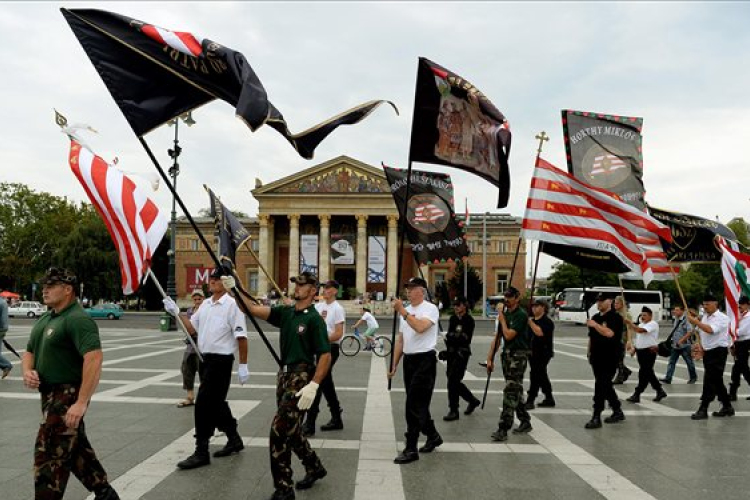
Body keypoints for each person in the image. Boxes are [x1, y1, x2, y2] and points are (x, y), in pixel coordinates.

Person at [227, 271, 331, 500]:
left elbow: (325, 355)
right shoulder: (287, 313)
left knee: (278, 432)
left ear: (313, 290)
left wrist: (313, 385)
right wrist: (234, 288)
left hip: (301, 377)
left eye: (302, 285)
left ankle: (284, 488)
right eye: (296, 283)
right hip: (283, 377)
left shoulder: (314, 319)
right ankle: (314, 466)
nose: (297, 287)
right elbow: (252, 309)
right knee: (292, 431)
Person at [22, 267, 120, 500]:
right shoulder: (47, 317)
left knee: (48, 455)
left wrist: (81, 402)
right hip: (49, 395)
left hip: (66, 395)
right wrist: (28, 371)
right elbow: (29, 351)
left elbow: (94, 358)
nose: (44, 290)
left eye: (50, 286)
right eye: (44, 285)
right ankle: (105, 494)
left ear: (67, 290)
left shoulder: (78, 319)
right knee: (75, 449)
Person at [162, 267, 249, 470]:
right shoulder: (206, 305)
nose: (212, 281)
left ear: (226, 282)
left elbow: (242, 337)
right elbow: (191, 328)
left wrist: (243, 365)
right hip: (206, 360)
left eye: (217, 278)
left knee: (203, 405)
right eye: (211, 277)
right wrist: (176, 311)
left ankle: (201, 451)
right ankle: (234, 439)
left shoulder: (232, 306)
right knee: (217, 404)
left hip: (221, 361)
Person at [389, 277, 443, 464]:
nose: (408, 292)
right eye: (407, 288)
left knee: (412, 405)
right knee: (418, 404)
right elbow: (401, 340)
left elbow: (420, 328)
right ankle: (433, 435)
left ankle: (411, 448)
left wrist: (402, 312)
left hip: (425, 360)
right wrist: (394, 364)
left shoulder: (430, 309)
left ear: (422, 290)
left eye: (412, 288)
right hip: (409, 361)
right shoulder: (408, 311)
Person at [487, 286, 532, 442]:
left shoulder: (521, 315)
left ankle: (503, 427)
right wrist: (490, 359)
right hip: (507, 355)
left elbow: (509, 335)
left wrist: (501, 317)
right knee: (515, 387)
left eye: (510, 296)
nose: (506, 299)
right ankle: (525, 420)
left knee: (510, 390)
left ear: (517, 298)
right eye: (505, 296)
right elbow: (498, 338)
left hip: (519, 356)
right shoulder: (505, 315)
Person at [302, 280, 345, 436]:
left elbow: (339, 333)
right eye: (324, 288)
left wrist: (322, 341)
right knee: (326, 383)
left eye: (328, 288)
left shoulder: (338, 309)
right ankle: (336, 417)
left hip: (329, 349)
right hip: (317, 349)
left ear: (334, 291)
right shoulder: (318, 306)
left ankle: (310, 422)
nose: (325, 290)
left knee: (317, 381)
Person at [687, 294, 734, 419]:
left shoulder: (722, 318)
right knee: (717, 381)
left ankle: (703, 408)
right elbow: (700, 332)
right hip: (708, 351)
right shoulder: (705, 317)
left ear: (715, 304)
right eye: (704, 304)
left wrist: (696, 321)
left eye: (708, 304)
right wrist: (700, 346)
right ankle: (727, 406)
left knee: (709, 380)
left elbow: (710, 330)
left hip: (718, 352)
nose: (705, 306)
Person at [584, 294, 625, 429]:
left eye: (602, 301)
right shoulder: (595, 317)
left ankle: (596, 415)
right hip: (596, 356)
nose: (599, 303)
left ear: (610, 301)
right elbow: (591, 337)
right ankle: (617, 410)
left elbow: (609, 333)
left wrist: (595, 325)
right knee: (605, 384)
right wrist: (589, 351)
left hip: (610, 357)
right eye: (597, 301)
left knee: (600, 384)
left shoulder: (616, 318)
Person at [441, 297, 480, 421]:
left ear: (464, 306)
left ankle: (454, 410)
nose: (455, 307)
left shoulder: (469, 320)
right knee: (454, 381)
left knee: (452, 382)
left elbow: (465, 339)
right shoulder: (453, 318)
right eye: (454, 305)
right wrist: (452, 339)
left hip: (462, 354)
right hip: (452, 353)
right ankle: (472, 400)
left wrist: (454, 336)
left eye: (458, 305)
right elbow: (449, 335)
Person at [625, 307, 667, 403]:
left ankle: (637, 394)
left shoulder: (653, 324)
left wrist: (630, 323)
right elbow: (640, 339)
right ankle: (660, 391)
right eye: (641, 315)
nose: (642, 317)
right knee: (648, 373)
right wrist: (634, 349)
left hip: (649, 352)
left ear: (650, 316)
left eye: (645, 315)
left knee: (643, 373)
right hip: (641, 352)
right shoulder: (641, 324)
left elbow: (640, 331)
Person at [525, 297, 556, 410]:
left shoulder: (547, 322)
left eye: (536, 306)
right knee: (541, 375)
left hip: (543, 353)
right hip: (531, 352)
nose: (534, 308)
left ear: (543, 308)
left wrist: (530, 322)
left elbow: (540, 333)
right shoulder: (532, 321)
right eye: (533, 306)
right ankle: (549, 397)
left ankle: (530, 399)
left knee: (535, 375)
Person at [177, 289, 205, 408]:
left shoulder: (206, 311)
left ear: (203, 299)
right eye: (195, 299)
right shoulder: (189, 311)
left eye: (199, 299)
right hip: (190, 347)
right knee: (187, 370)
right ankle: (190, 396)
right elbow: (186, 326)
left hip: (202, 347)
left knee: (204, 373)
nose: (197, 301)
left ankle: (205, 398)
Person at [660, 305, 698, 384]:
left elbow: (690, 332)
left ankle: (693, 377)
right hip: (675, 345)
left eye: (677, 310)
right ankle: (668, 378)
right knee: (671, 362)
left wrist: (681, 340)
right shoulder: (676, 319)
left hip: (685, 346)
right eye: (674, 310)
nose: (675, 311)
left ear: (682, 311)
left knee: (689, 362)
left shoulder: (687, 319)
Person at [729, 296, 750, 401]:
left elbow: (742, 332)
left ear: (747, 305)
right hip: (738, 343)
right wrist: (732, 344)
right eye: (739, 304)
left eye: (742, 304)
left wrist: (731, 331)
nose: (740, 306)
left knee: (740, 368)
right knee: (741, 368)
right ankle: (732, 393)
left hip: (746, 343)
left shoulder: (749, 316)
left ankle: (733, 392)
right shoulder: (739, 316)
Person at [612, 296, 633, 385]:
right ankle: (625, 371)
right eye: (615, 303)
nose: (615, 304)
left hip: (622, 339)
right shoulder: (615, 313)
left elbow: (630, 328)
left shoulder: (626, 315)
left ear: (622, 304)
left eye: (617, 303)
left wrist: (629, 340)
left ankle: (620, 376)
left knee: (619, 358)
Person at [0, 293, 12, 379]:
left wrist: (2, 331)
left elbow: (4, 321)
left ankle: (6, 365)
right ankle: (6, 366)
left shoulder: (2, 303)